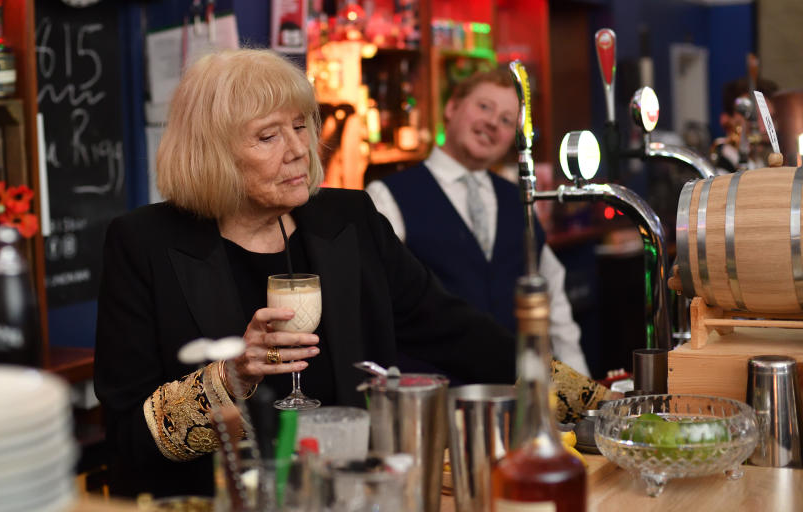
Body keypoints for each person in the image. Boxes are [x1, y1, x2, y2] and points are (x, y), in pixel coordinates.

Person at [95, 49, 612, 499]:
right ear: (213, 152)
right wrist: (229, 379)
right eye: (268, 136)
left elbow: (453, 329)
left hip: (354, 496)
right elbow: (124, 435)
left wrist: (597, 405)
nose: (299, 149)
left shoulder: (349, 220)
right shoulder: (144, 244)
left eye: (302, 124)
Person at [366, 68, 589, 375]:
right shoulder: (386, 196)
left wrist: (580, 384)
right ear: (452, 107)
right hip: (432, 398)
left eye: (507, 120)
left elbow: (554, 300)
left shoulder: (520, 200)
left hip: (517, 395)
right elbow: (376, 307)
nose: (493, 123)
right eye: (484, 107)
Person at [711, 76, 778, 172]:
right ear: (725, 120)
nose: (764, 129)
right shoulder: (720, 174)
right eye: (754, 117)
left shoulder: (760, 165)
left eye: (770, 119)